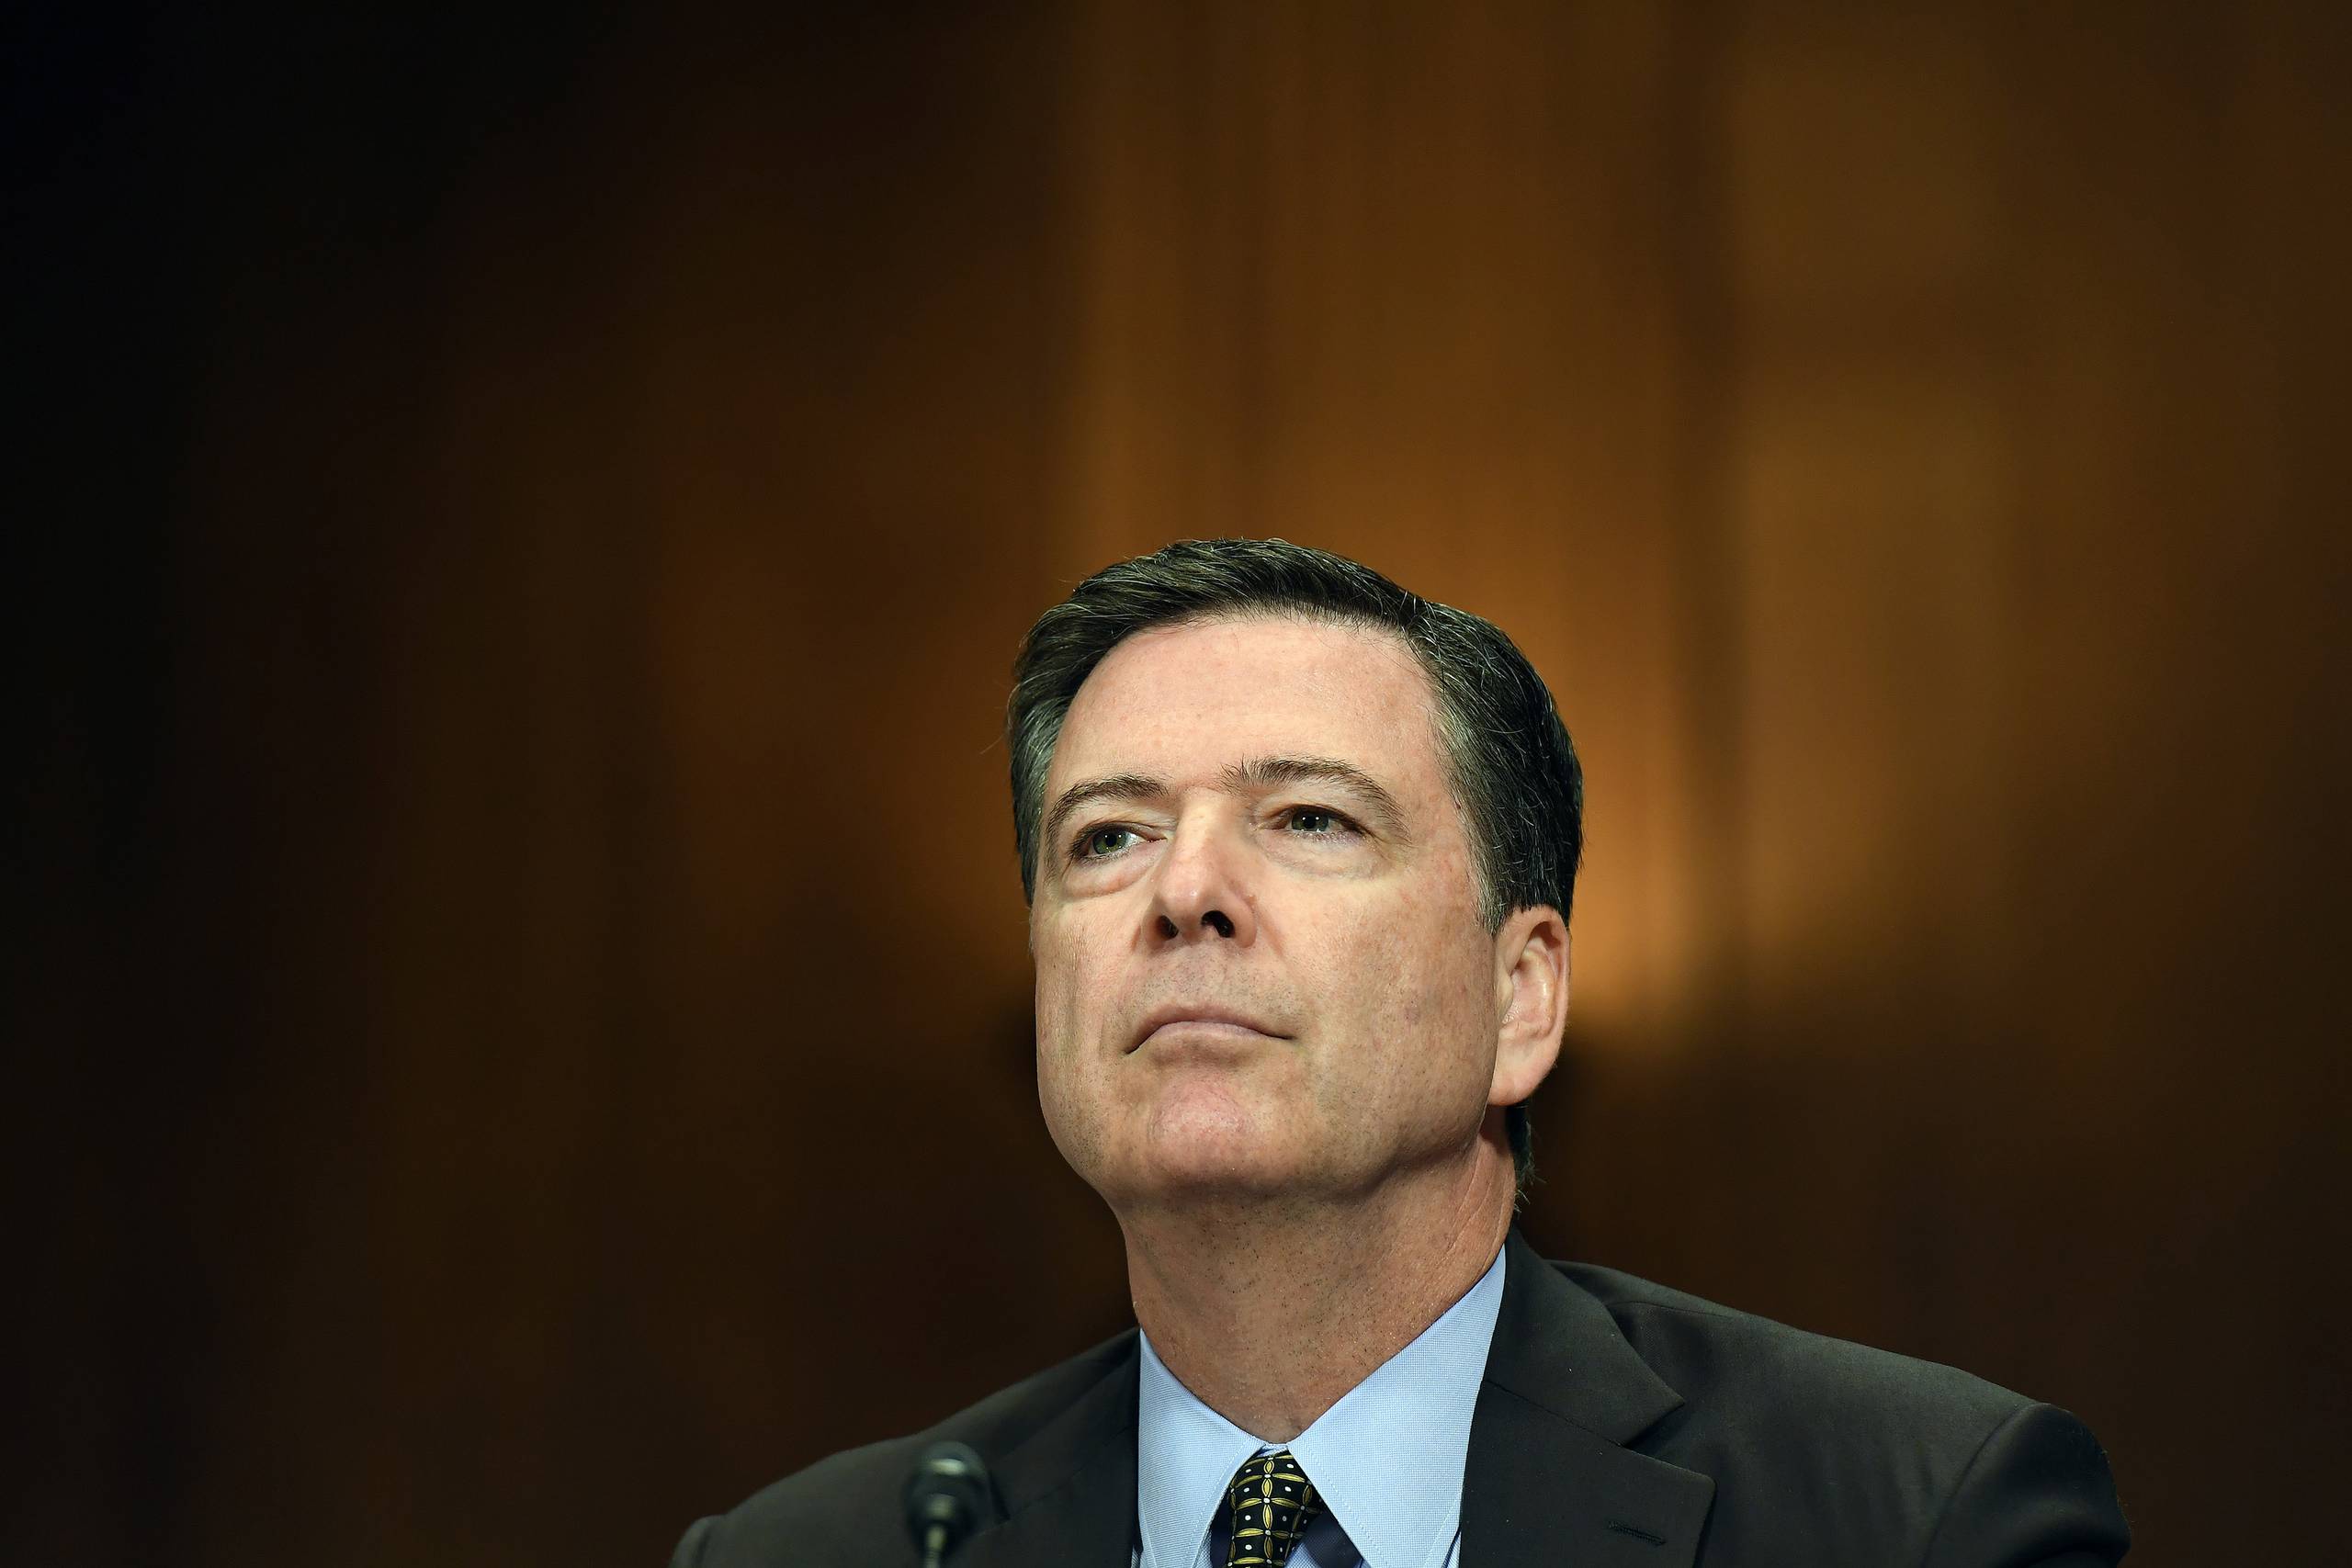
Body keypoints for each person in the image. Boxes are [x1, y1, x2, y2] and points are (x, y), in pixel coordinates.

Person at [670, 539, 2130, 1567]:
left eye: (1309, 818)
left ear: (1522, 999)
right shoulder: (818, 1554)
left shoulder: (1913, 1518)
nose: (1184, 890)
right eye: (1106, 837)